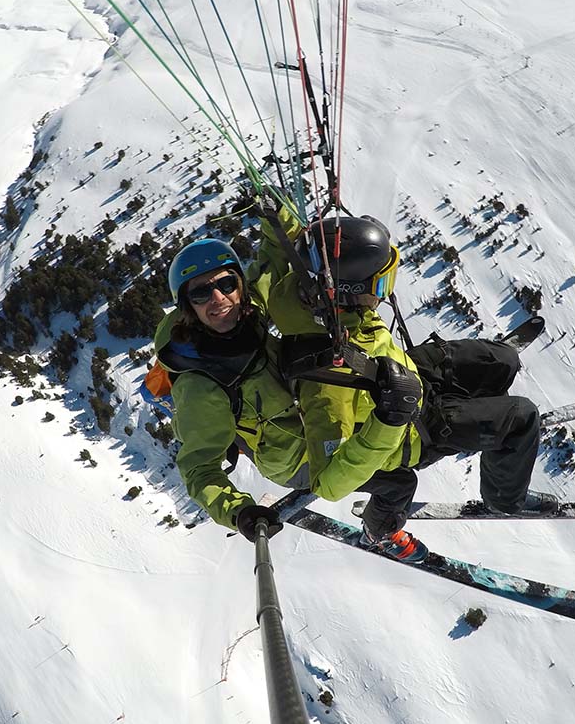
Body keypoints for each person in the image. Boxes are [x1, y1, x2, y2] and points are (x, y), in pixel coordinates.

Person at [249, 208, 553, 535]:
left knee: (500, 361)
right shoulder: (327, 385)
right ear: (347, 291)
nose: (385, 293)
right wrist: (390, 418)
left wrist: (280, 214)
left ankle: (486, 402)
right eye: (381, 283)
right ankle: (504, 499)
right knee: (521, 417)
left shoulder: (304, 295)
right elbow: (328, 481)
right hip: (408, 425)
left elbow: (285, 249)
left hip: (396, 370)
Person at [153, 237, 433, 559]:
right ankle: (380, 533)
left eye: (226, 283)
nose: (218, 298)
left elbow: (272, 258)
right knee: (399, 483)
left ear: (239, 286)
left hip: (317, 416)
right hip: (295, 460)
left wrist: (283, 218)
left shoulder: (248, 311)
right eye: (201, 293)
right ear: (188, 306)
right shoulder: (199, 385)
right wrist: (239, 512)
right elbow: (199, 468)